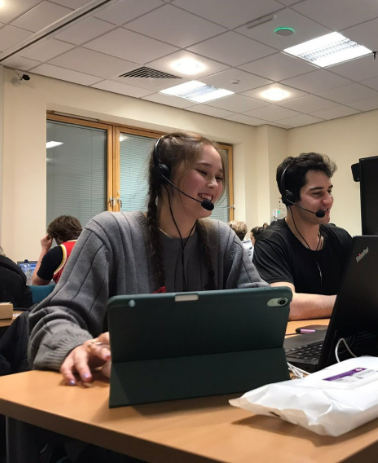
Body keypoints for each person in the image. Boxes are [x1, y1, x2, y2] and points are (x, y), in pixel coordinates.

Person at [28, 132, 267, 386]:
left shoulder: (222, 239)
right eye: (203, 172)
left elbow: (263, 306)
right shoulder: (110, 232)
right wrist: (74, 346)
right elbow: (54, 316)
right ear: (163, 175)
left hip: (206, 383)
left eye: (219, 177)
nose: (214, 185)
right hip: (122, 390)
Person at [253, 153, 352, 321]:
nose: (328, 200)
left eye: (329, 191)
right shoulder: (271, 242)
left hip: (342, 336)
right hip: (299, 341)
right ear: (290, 198)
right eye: (317, 193)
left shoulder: (340, 237)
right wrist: (352, 302)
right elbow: (286, 304)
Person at [32, 215, 83, 286]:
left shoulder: (57, 253)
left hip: (68, 296)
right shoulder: (91, 247)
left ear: (57, 237)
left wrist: (44, 249)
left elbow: (37, 283)